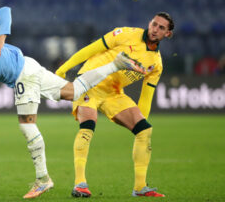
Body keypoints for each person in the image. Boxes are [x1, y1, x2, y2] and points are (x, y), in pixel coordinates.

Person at [0, 6, 145, 199]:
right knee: (73, 91)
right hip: (28, 67)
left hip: (22, 74)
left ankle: (43, 179)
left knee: (27, 124)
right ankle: (116, 63)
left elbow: (5, 11)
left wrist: (1, 38)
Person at [55, 12, 174, 198]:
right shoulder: (126, 33)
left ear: (168, 34)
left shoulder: (156, 64)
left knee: (145, 130)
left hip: (113, 93)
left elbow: (146, 96)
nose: (155, 29)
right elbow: (91, 49)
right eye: (154, 24)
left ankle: (140, 187)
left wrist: (139, 126)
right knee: (88, 125)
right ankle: (80, 184)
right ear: (149, 23)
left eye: (161, 28)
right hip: (90, 80)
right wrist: (64, 68)